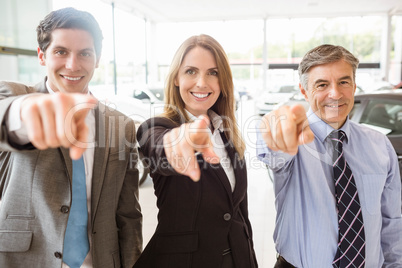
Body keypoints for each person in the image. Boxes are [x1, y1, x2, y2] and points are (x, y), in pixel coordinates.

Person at [0, 7, 142, 268]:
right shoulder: (15, 97)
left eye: (85, 53)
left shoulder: (121, 126)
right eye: (61, 52)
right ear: (42, 56)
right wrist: (29, 112)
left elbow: (128, 215)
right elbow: (5, 119)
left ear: (97, 59)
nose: (73, 65)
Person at [257, 44, 402, 267]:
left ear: (354, 86)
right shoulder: (295, 140)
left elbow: (392, 221)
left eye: (343, 82)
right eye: (322, 84)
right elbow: (272, 149)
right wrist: (273, 130)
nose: (335, 93)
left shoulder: (379, 145)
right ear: (304, 91)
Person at [134, 34, 258, 268]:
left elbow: (239, 212)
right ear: (176, 79)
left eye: (213, 72)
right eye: (191, 71)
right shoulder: (156, 127)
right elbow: (161, 147)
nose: (202, 82)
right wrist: (179, 140)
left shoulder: (227, 132)